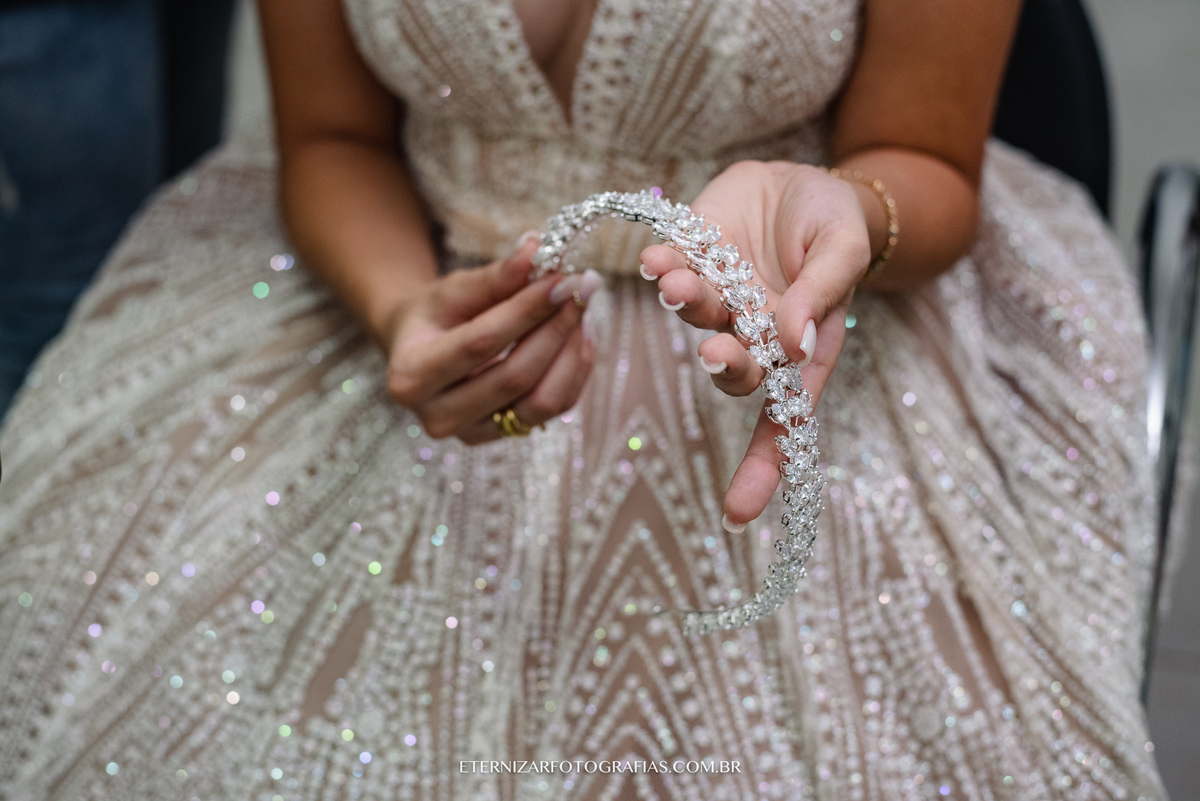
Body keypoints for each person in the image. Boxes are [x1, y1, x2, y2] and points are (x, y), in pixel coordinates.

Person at [0, 0, 1167, 798]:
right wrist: (405, 314)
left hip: (804, 332)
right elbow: (332, 134)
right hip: (399, 283)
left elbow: (928, 157)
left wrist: (851, 213)